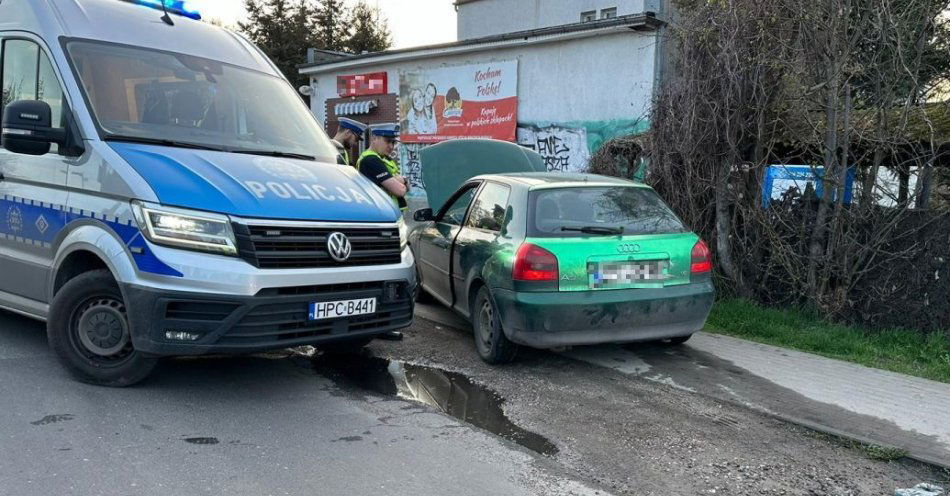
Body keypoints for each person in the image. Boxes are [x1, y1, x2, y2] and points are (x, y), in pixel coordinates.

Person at [357, 123, 409, 212]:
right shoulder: (371, 160)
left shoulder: (383, 157)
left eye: (393, 142)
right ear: (374, 138)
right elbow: (400, 190)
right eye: (387, 141)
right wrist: (403, 180)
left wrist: (401, 181)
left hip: (391, 211)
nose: (391, 146)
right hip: (383, 212)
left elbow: (407, 187)